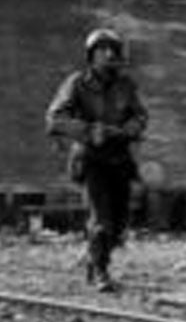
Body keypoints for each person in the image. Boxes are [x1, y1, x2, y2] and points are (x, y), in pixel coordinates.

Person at [46, 28, 149, 291]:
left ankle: (96, 261)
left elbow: (140, 115)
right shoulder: (77, 83)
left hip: (120, 160)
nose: (108, 54)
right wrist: (90, 131)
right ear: (91, 55)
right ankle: (101, 273)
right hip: (91, 160)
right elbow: (55, 119)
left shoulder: (126, 85)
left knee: (118, 224)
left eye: (113, 49)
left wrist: (132, 129)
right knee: (101, 220)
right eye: (102, 49)